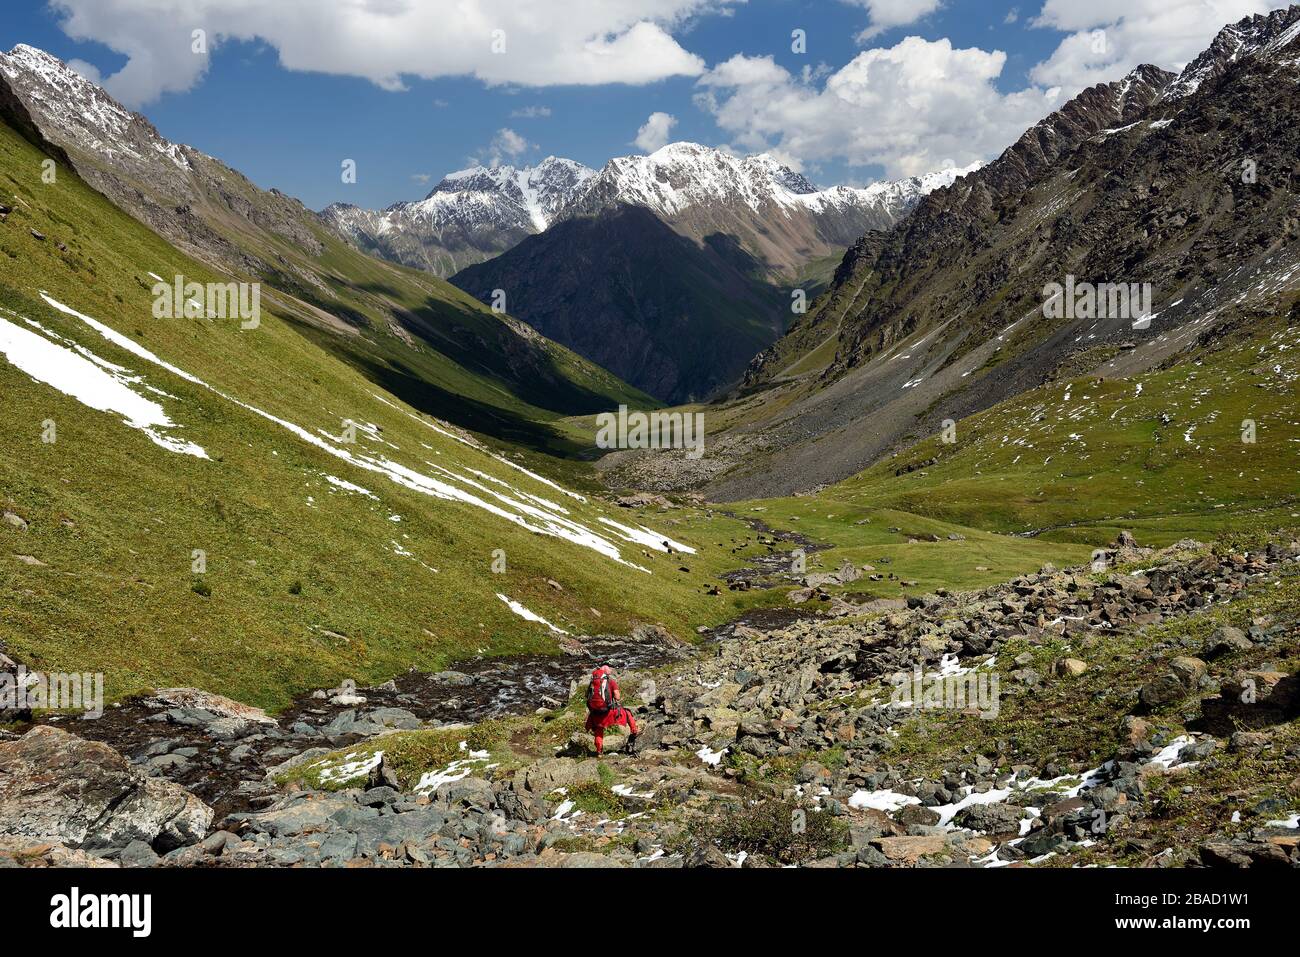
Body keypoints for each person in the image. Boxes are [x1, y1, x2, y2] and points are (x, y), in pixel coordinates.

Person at [585, 664, 638, 756]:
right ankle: (634, 733)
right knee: (628, 713)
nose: (611, 670)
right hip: (609, 712)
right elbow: (617, 697)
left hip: (596, 713)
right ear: (606, 672)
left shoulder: (592, 682)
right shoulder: (611, 682)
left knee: (598, 730)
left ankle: (599, 752)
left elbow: (587, 696)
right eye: (609, 669)